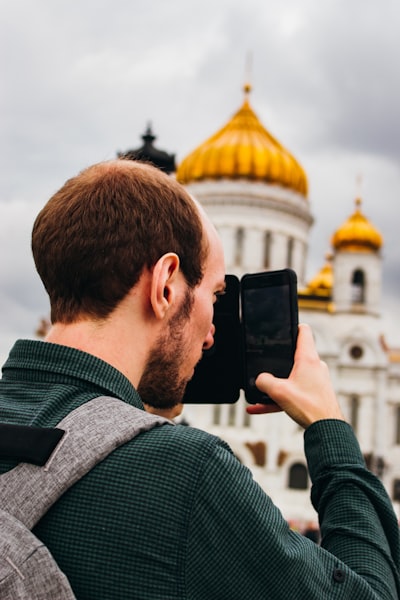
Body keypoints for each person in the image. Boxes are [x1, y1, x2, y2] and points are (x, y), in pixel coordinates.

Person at [0, 159, 399, 600]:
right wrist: (331, 429)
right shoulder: (187, 472)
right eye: (215, 294)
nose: (213, 335)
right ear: (166, 285)